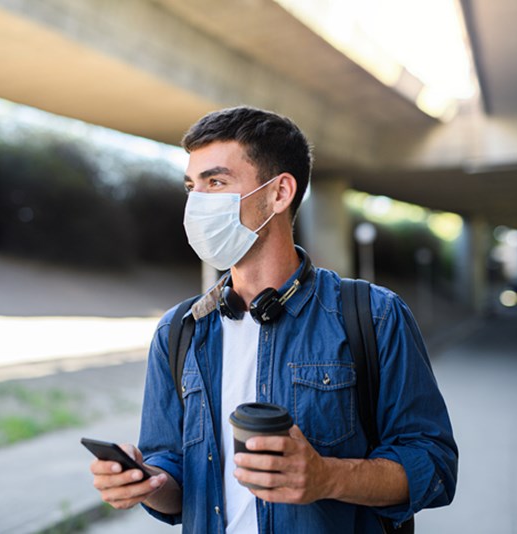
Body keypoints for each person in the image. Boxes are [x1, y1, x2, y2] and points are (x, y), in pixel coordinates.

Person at [90, 106, 457, 533]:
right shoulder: (179, 331)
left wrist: (328, 477)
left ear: (279, 193)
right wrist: (145, 482)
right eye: (192, 186)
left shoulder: (374, 315)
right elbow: (172, 474)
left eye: (216, 182)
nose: (196, 203)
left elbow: (435, 466)